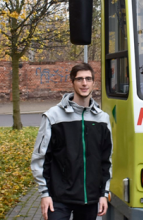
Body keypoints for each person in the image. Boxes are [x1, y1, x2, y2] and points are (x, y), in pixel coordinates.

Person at [30, 63, 112, 220]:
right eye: (79, 79)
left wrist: (104, 194)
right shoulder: (53, 116)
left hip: (90, 199)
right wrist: (44, 194)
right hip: (58, 198)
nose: (84, 83)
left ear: (93, 82)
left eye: (88, 79)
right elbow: (41, 157)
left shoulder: (102, 119)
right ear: (72, 82)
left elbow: (105, 160)